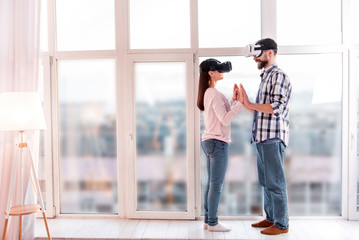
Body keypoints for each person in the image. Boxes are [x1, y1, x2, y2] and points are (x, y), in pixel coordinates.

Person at [240, 38, 292, 235]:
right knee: (266, 181)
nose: (255, 58)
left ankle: (281, 224)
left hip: (272, 138)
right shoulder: (266, 77)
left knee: (276, 182)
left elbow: (276, 108)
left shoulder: (278, 76)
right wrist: (246, 103)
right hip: (262, 138)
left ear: (270, 53)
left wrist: (251, 104)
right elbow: (262, 111)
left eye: (258, 53)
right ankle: (271, 218)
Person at [197, 58, 242, 232]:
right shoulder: (213, 93)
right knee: (216, 184)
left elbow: (220, 114)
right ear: (211, 73)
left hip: (210, 141)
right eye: (219, 70)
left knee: (211, 183)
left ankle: (209, 221)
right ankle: (214, 223)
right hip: (218, 143)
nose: (222, 72)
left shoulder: (209, 92)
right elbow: (225, 119)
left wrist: (232, 101)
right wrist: (240, 104)